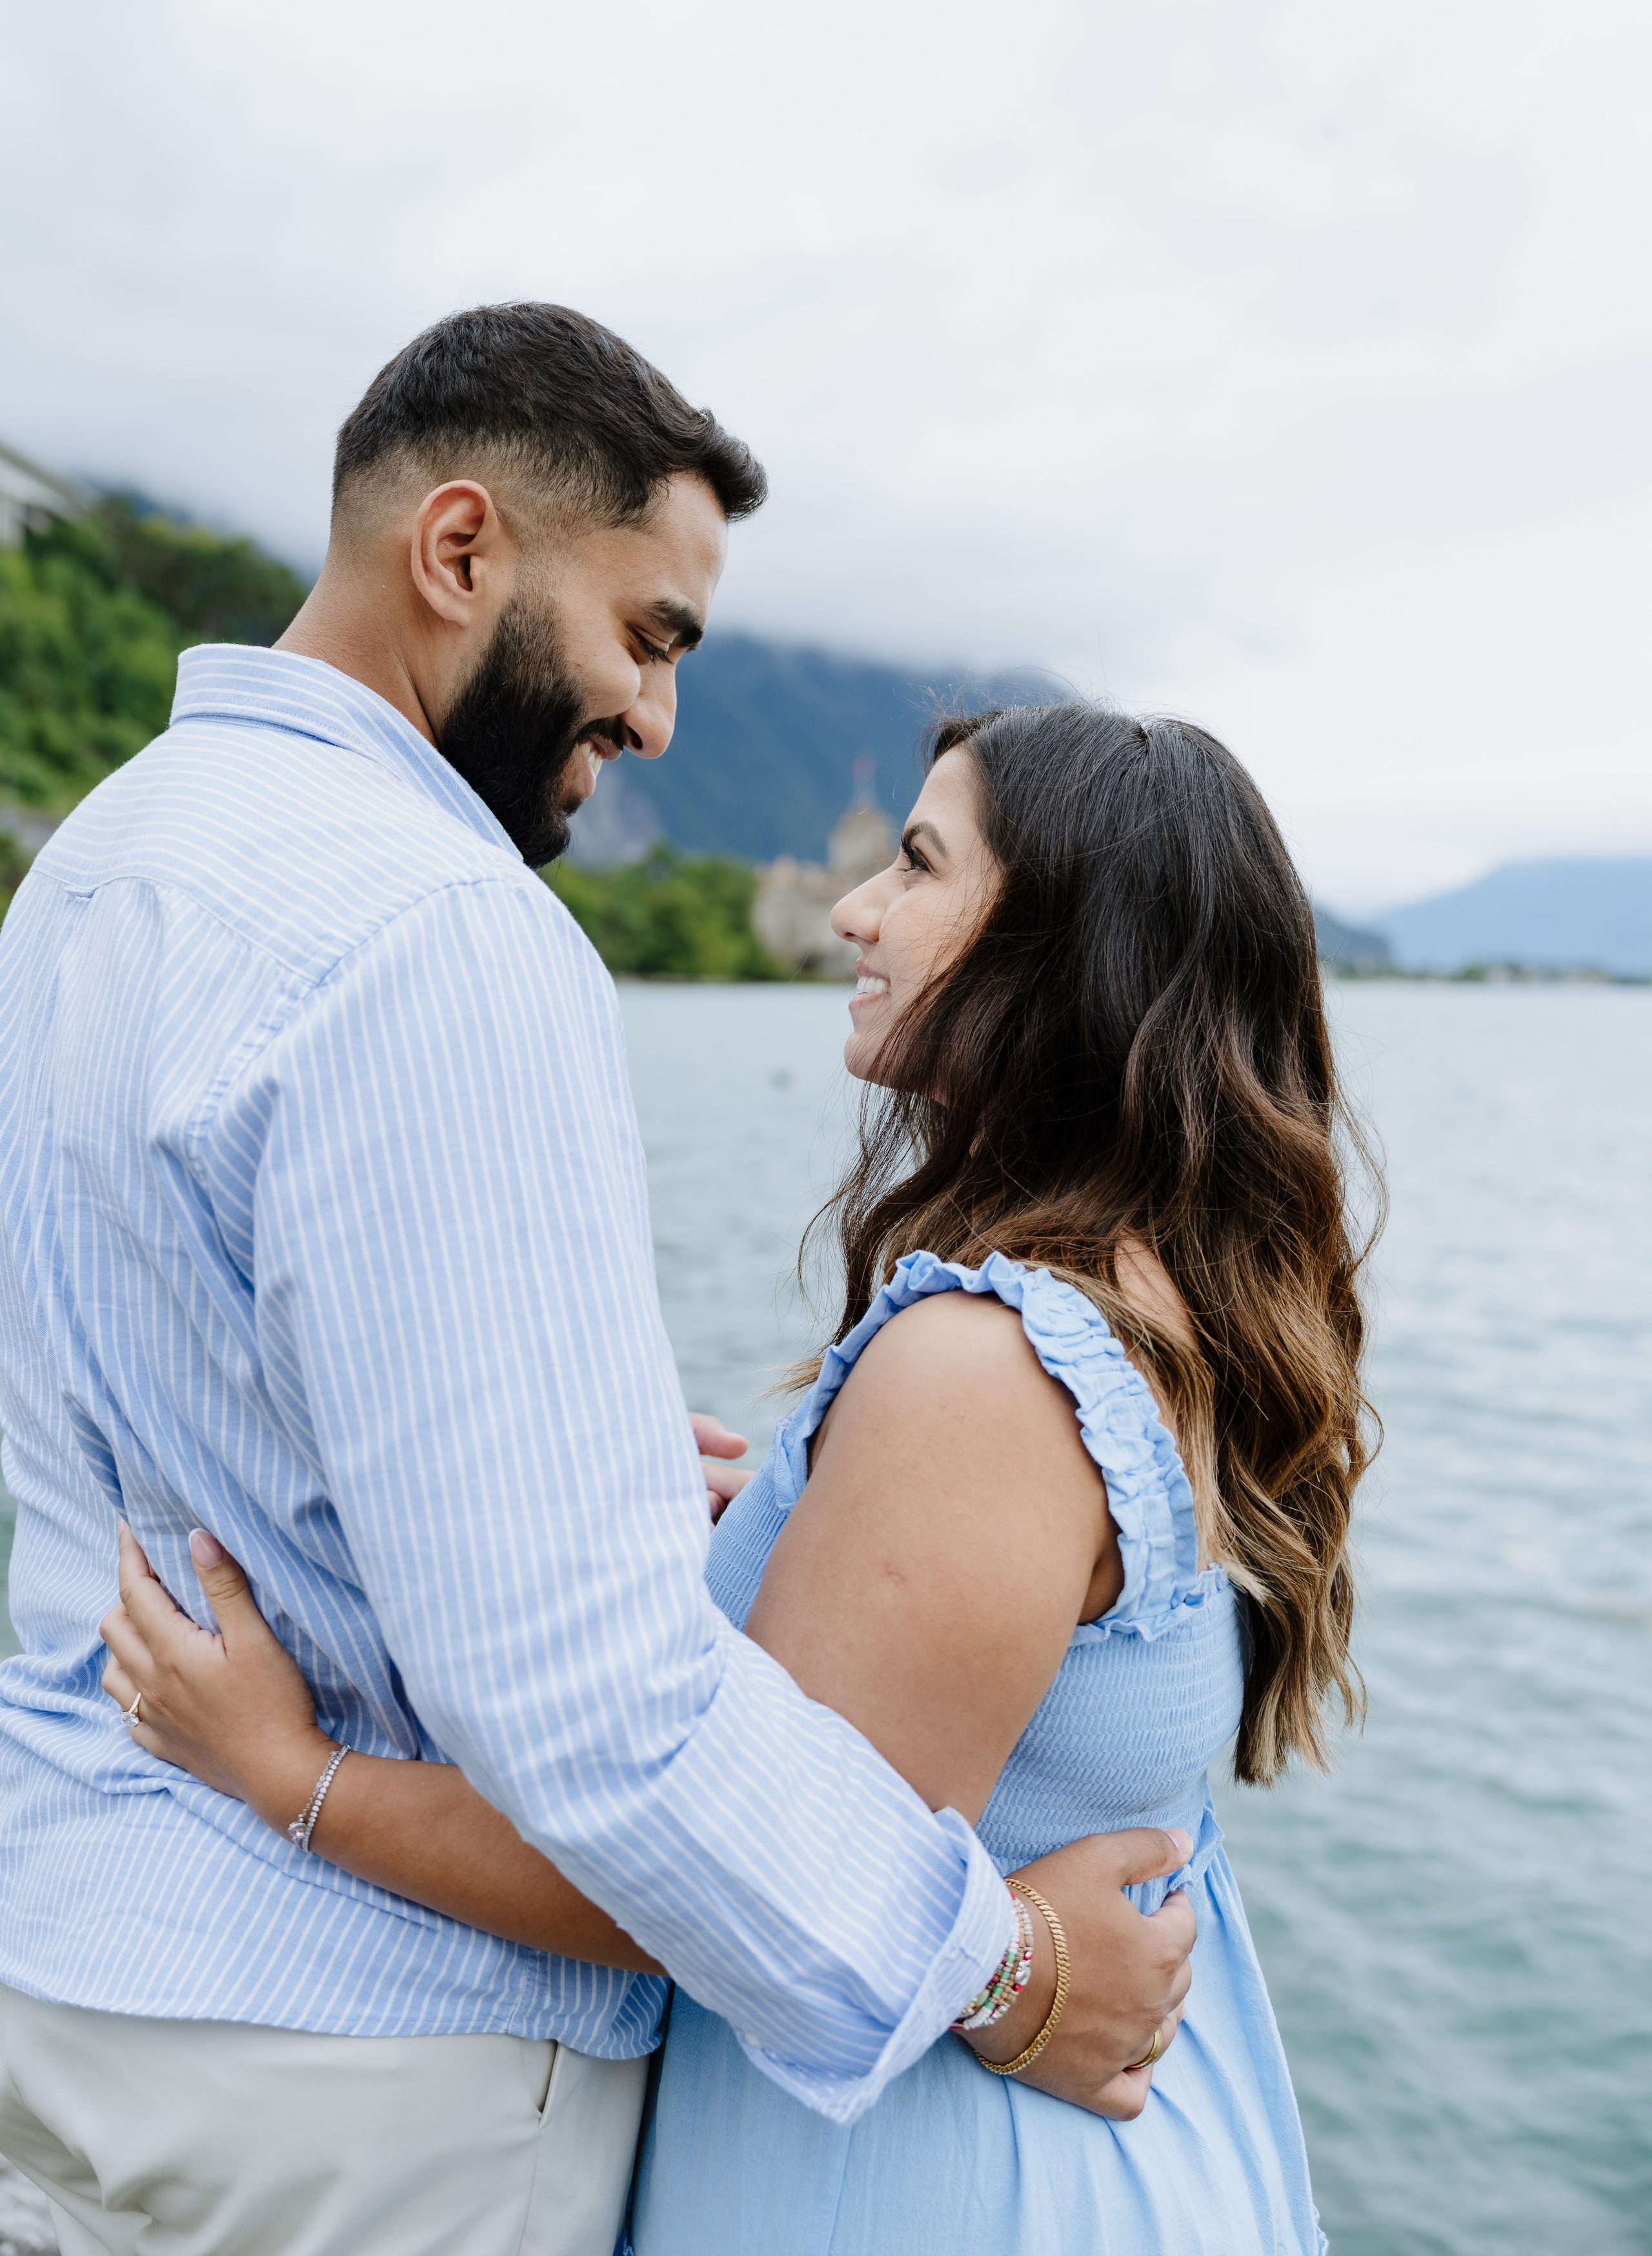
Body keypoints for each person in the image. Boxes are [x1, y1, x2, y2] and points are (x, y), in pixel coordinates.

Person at [0, 305, 1194, 2256]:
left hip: (63, 1961)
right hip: (356, 2069)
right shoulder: (443, 927)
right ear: (461, 552)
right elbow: (586, 1707)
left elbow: (190, 1401)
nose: (655, 719)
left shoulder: (88, 872)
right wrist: (1001, 1968)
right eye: (649, 634)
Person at [101, 696, 1376, 2253]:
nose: (855, 909)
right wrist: (776, 1524)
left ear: (1064, 951)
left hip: (917, 2188)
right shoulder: (1165, 1297)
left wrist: (289, 1772)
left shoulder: (985, 1368)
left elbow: (719, 1891)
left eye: (918, 865)